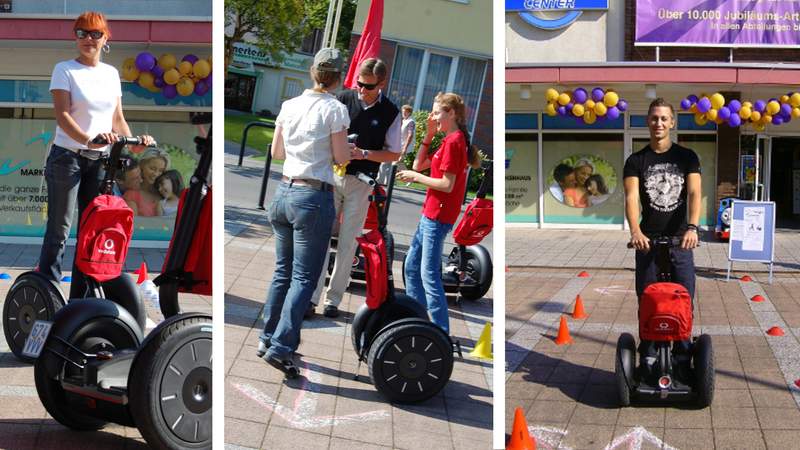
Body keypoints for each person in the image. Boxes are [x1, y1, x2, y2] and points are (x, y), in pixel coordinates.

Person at [40, 11, 154, 298]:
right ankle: (49, 293)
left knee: (92, 231)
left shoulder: (111, 74)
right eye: (82, 33)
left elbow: (117, 118)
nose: (88, 39)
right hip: (67, 157)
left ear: (106, 38)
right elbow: (63, 116)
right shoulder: (64, 69)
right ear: (75, 36)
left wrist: (133, 142)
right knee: (60, 230)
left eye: (95, 34)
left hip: (102, 162)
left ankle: (80, 298)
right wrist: (89, 140)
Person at [258, 48, 350, 376]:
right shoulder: (336, 110)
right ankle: (281, 346)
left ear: (313, 72)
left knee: (282, 271)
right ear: (339, 77)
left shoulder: (289, 105)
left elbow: (277, 150)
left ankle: (267, 336)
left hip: (284, 190)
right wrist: (347, 149)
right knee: (303, 277)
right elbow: (340, 158)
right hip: (313, 195)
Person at [310, 58, 403, 318]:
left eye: (368, 87)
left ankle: (333, 299)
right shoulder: (342, 98)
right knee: (321, 238)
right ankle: (312, 296)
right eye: (359, 84)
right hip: (332, 177)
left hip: (362, 182)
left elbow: (393, 153)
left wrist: (364, 153)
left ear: (382, 84)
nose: (361, 90)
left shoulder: (390, 112)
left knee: (348, 242)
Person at [623, 97, 701, 376]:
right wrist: (636, 231)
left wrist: (692, 228)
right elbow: (631, 197)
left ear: (672, 122)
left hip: (681, 241)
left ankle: (682, 352)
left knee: (684, 299)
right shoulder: (636, 160)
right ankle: (649, 353)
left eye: (664, 118)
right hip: (648, 242)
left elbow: (693, 193)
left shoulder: (687, 157)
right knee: (646, 299)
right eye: (654, 118)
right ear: (648, 122)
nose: (659, 123)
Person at [396, 92, 481, 334]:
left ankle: (440, 331)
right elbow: (417, 165)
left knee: (429, 274)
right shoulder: (447, 139)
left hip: (438, 216)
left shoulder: (455, 142)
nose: (433, 116)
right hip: (430, 213)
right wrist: (429, 135)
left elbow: (447, 184)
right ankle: (417, 318)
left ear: (451, 113)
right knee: (412, 266)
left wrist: (416, 178)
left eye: (436, 112)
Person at [124, 148, 169, 216]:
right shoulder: (131, 195)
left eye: (161, 171)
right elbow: (133, 223)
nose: (156, 174)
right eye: (152, 168)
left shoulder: (165, 193)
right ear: (142, 165)